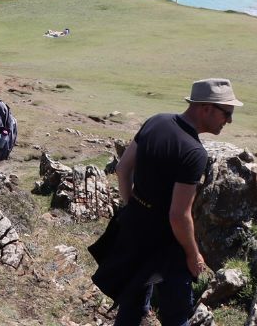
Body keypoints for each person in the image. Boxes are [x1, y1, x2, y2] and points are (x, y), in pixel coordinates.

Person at [89, 79, 240, 326]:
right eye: (227, 113)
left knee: (132, 301)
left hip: (134, 229)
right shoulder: (194, 152)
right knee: (177, 313)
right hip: (166, 243)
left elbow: (122, 169)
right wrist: (193, 255)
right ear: (206, 108)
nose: (229, 120)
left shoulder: (156, 121)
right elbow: (178, 215)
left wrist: (135, 209)